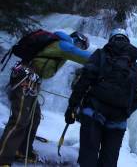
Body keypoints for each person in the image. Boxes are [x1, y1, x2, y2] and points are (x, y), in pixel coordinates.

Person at [0, 31, 91, 166]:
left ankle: (22, 150)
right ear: (77, 40)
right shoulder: (64, 45)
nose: (79, 48)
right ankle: (3, 158)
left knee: (34, 118)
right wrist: (106, 58)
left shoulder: (59, 43)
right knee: (19, 119)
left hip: (31, 80)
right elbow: (83, 57)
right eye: (81, 45)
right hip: (26, 78)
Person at [65, 28, 137, 167]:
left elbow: (84, 80)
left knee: (88, 156)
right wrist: (126, 111)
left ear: (111, 40)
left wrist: (72, 106)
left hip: (94, 111)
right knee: (109, 161)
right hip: (119, 119)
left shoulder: (101, 54)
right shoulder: (134, 65)